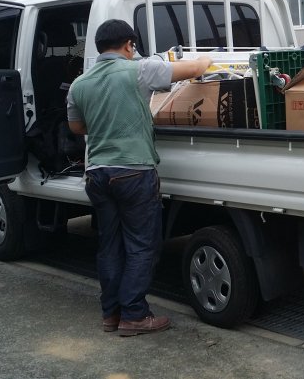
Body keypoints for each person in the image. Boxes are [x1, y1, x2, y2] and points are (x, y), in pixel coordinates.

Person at [67, 19, 212, 335]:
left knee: (110, 246)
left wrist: (106, 121)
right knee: (141, 246)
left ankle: (111, 315)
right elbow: (193, 69)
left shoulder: (80, 83)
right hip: (133, 172)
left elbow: (76, 127)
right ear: (128, 45)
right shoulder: (139, 70)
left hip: (97, 175)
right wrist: (206, 59)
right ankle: (134, 315)